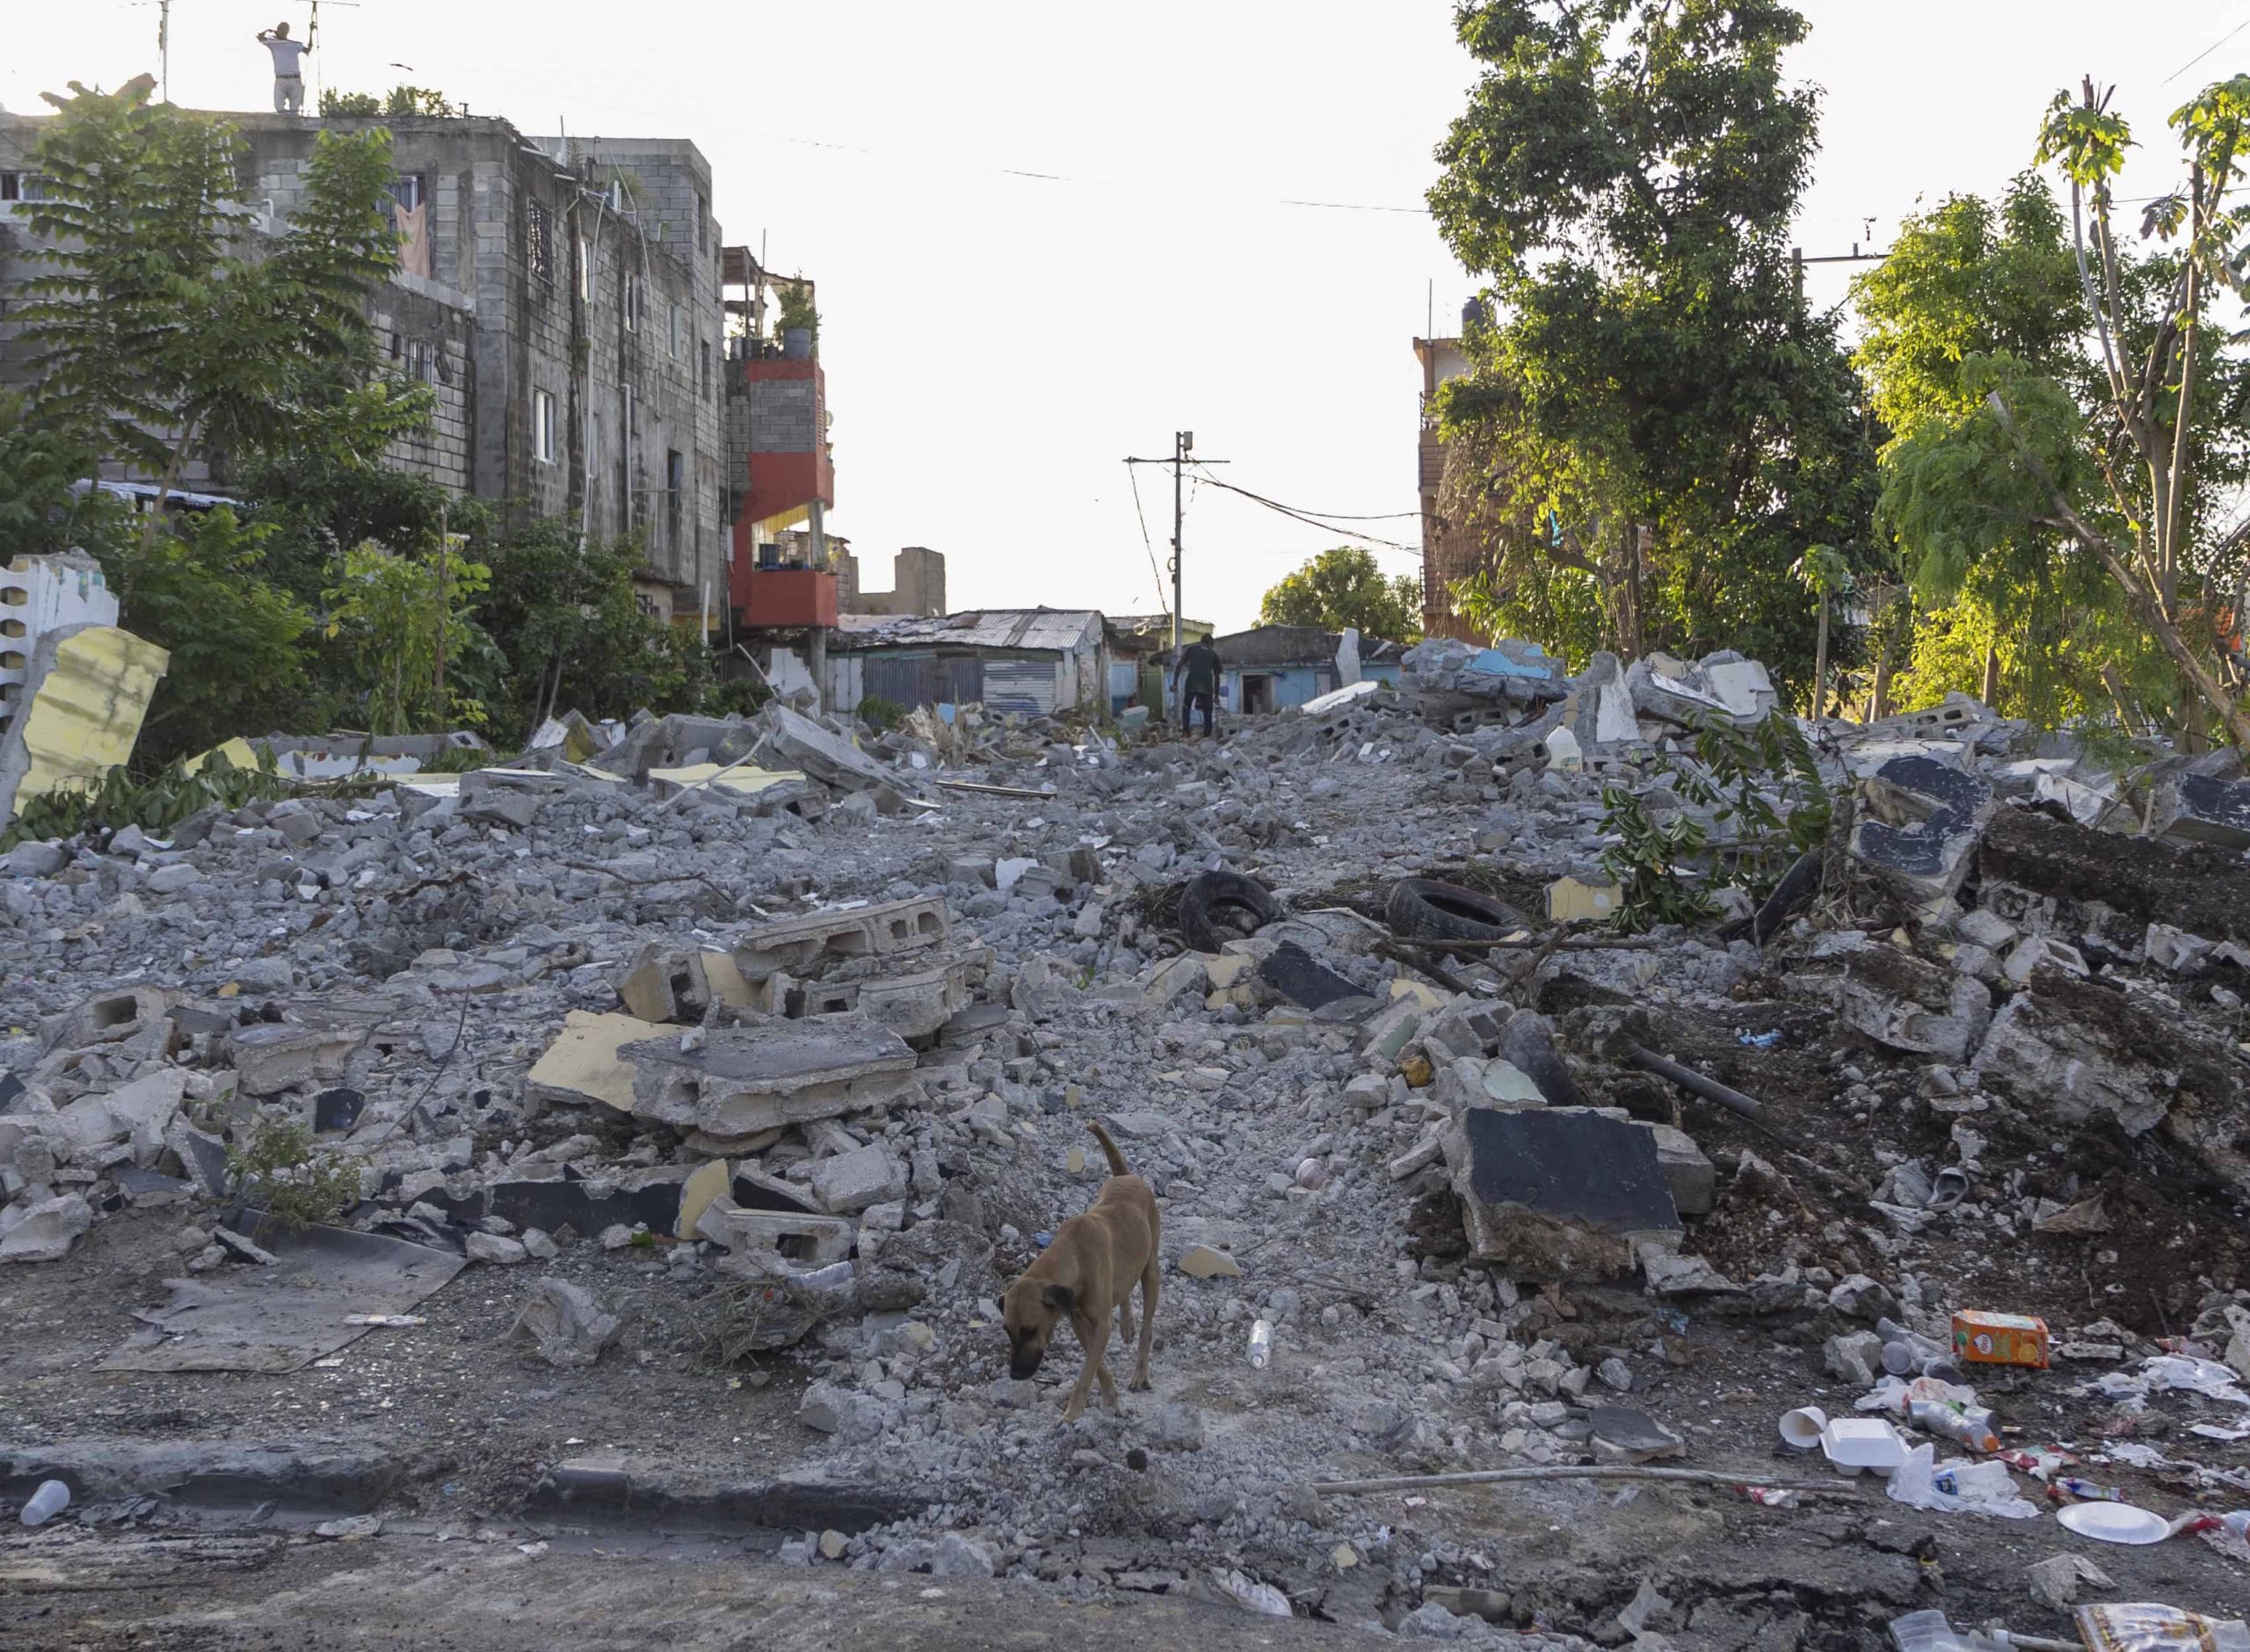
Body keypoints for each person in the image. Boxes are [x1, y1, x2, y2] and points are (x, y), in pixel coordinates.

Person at [1172, 636, 1221, 737]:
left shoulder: (1192, 649)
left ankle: (1186, 732)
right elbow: (1217, 676)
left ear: (1201, 642)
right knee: (1208, 711)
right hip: (1207, 686)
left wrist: (1175, 683)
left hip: (1191, 683)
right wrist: (1216, 696)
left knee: (1186, 707)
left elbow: (1179, 665)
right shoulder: (1213, 654)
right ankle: (1207, 735)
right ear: (1211, 644)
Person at [258, 21, 309, 115]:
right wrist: (268, 30)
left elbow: (307, 50)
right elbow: (260, 37)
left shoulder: (295, 44)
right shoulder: (273, 43)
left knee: (295, 109)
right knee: (279, 106)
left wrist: (311, 35)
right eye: (280, 29)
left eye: (284, 29)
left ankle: (293, 124)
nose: (282, 31)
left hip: (295, 79)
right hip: (280, 78)